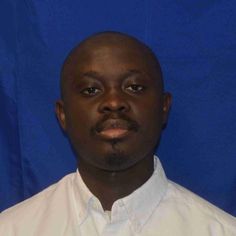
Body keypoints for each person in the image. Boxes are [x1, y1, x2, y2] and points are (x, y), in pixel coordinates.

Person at [0, 31, 235, 235]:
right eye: (91, 89)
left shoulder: (219, 231)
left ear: (164, 107)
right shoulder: (12, 229)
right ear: (63, 114)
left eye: (134, 87)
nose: (113, 102)